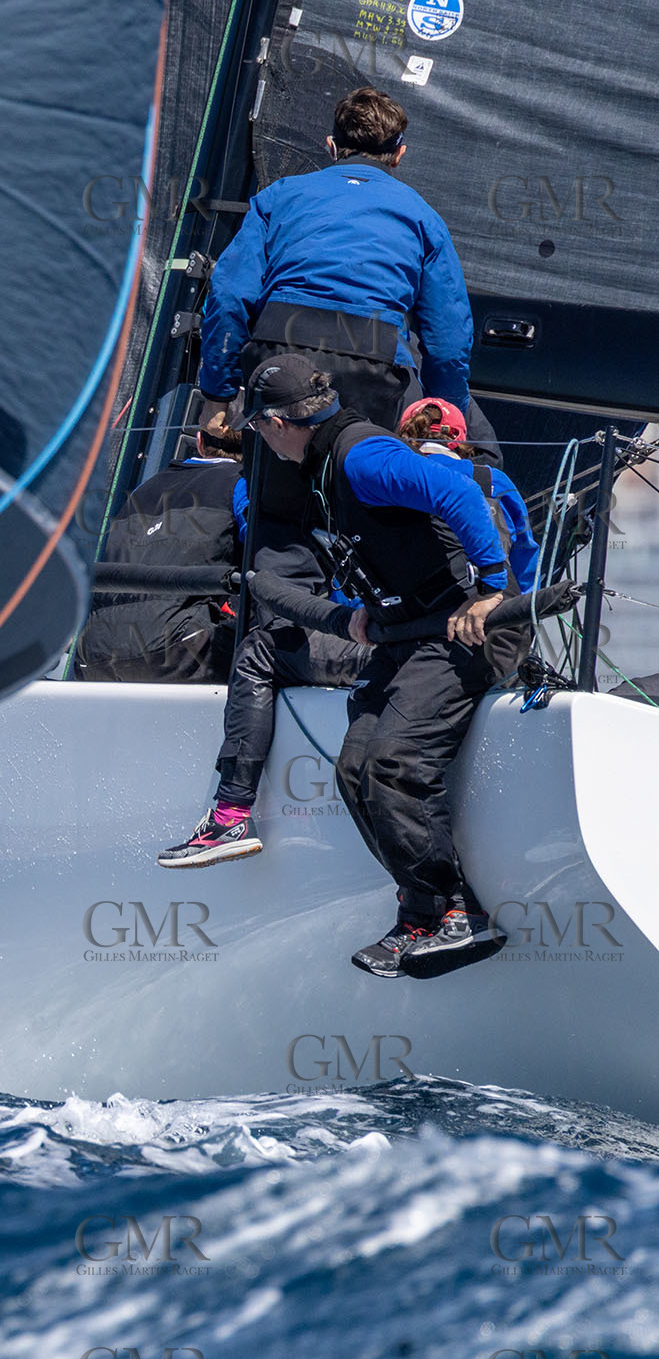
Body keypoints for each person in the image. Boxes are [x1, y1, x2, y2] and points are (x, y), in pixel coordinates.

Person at [159, 359, 520, 980]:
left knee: (394, 764)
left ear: (275, 424)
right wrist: (361, 612)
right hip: (406, 633)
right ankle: (420, 913)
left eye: (259, 429)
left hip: (470, 632)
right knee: (355, 768)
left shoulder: (361, 456)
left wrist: (489, 590)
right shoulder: (325, 461)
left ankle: (460, 914)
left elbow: (459, 492)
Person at [197, 85, 499, 460]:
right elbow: (448, 338)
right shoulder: (424, 218)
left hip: (278, 350)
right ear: (399, 155)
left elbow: (228, 296)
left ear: (331, 146)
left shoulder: (278, 196)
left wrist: (217, 395)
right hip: (374, 362)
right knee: (361, 488)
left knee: (263, 484)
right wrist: (443, 416)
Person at [76, 413, 247, 683]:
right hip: (177, 650)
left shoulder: (142, 489)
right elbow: (266, 554)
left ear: (199, 441)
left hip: (93, 654)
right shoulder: (242, 483)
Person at [397, 398, 540, 593]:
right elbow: (524, 555)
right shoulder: (492, 480)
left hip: (412, 611)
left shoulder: (392, 480)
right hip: (487, 606)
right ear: (461, 438)